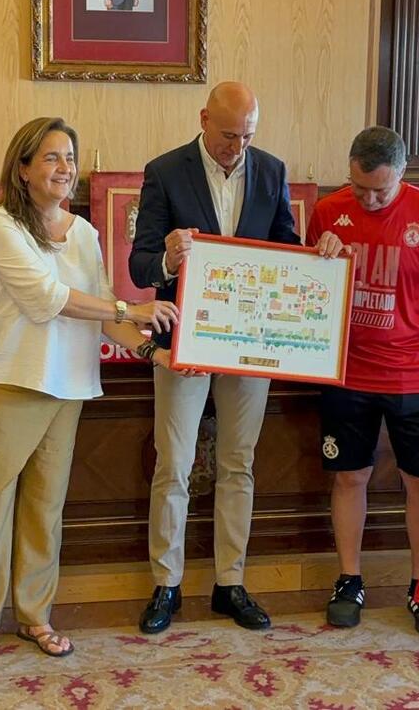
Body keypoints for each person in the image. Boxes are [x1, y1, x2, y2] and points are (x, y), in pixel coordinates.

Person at [0, 118, 183, 665]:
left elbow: (101, 313)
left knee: (45, 509)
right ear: (23, 168)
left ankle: (35, 615)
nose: (64, 168)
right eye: (51, 157)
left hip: (67, 388)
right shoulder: (1, 225)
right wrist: (132, 308)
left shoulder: (84, 233)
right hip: (5, 383)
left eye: (70, 157)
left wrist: (155, 351)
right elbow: (46, 298)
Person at [129, 81, 336, 634]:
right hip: (185, 341)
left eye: (247, 136)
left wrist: (320, 259)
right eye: (227, 136)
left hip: (250, 343)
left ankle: (230, 582)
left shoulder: (269, 170)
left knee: (238, 463)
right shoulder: (166, 171)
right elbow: (139, 265)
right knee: (173, 464)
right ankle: (166, 584)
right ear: (203, 119)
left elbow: (284, 250)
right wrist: (168, 261)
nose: (237, 147)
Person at [305, 126, 419, 638]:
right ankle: (349, 579)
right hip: (346, 370)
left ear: (401, 172)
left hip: (415, 374)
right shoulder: (328, 211)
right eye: (360, 188)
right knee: (349, 477)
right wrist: (318, 258)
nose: (370, 199)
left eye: (380, 189)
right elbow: (305, 292)